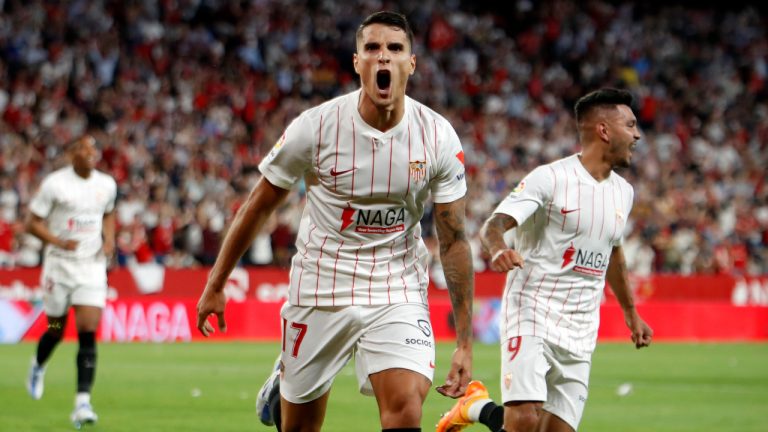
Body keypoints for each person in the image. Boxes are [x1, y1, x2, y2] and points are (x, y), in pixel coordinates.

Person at [196, 11, 474, 432]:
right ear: (357, 62)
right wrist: (216, 284)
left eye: (395, 49)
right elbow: (258, 204)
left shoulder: (437, 137)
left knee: (405, 409)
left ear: (411, 64)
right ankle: (286, 375)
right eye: (373, 49)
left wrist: (466, 343)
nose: (384, 58)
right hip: (322, 283)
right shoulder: (316, 127)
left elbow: (453, 240)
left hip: (395, 284)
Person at [436, 88, 653, 432]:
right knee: (523, 421)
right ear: (603, 130)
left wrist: (630, 312)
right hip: (532, 311)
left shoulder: (623, 193)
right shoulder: (550, 179)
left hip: (582, 328)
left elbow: (613, 251)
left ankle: (476, 407)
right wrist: (498, 250)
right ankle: (477, 407)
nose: (638, 135)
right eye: (630, 125)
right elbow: (494, 225)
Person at [25, 135, 117, 428]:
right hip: (60, 267)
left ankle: (82, 403)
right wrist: (57, 242)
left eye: (94, 150)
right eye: (85, 150)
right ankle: (38, 365)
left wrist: (109, 240)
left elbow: (109, 213)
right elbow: (32, 222)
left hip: (91, 267)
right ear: (71, 153)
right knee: (56, 329)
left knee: (88, 330)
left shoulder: (106, 184)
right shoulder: (55, 184)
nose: (92, 154)